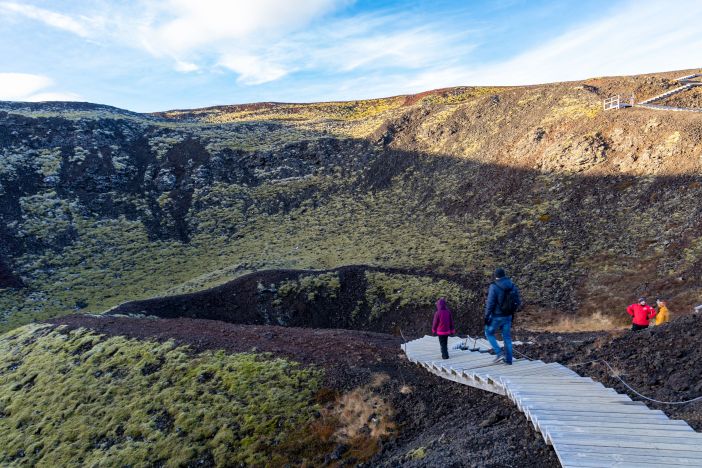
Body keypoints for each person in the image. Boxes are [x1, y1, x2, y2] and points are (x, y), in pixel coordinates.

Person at [484, 268, 521, 365]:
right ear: (504, 275)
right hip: (508, 316)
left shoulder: (494, 286)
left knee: (488, 332)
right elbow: (518, 301)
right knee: (507, 337)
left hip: (497, 316)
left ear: (496, 276)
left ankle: (499, 353)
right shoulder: (512, 285)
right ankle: (509, 360)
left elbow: (490, 303)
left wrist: (487, 316)